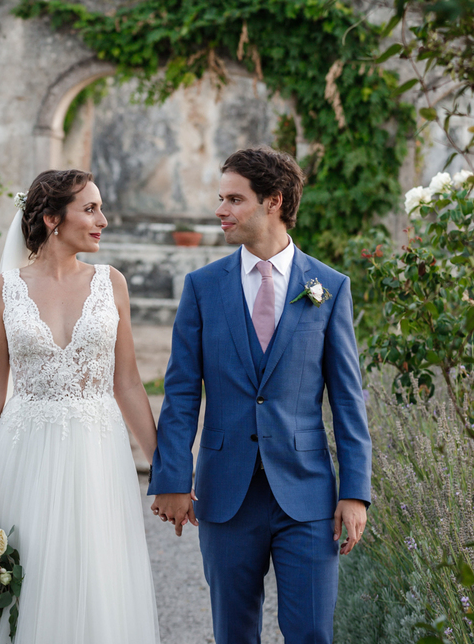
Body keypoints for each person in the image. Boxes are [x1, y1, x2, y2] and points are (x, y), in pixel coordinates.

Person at [149, 147, 373, 644]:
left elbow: (347, 399)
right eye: (220, 198)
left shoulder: (328, 287)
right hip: (226, 494)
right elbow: (182, 391)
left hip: (308, 495)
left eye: (234, 199)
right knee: (233, 633)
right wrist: (171, 477)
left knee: (312, 632)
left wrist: (355, 493)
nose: (220, 210)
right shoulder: (203, 287)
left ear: (273, 201)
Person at [0, 169, 161, 644]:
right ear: (51, 218)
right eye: (90, 209)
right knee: (31, 572)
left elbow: (127, 383)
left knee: (97, 575)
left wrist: (164, 467)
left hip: (97, 450)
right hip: (25, 451)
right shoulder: (4, 290)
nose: (102, 219)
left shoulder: (112, 283)